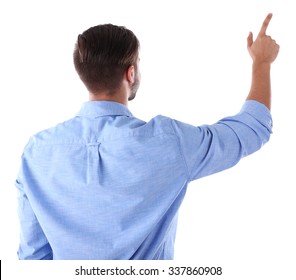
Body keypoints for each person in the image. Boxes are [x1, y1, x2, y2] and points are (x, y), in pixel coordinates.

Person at [15, 13, 279, 260]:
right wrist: (262, 62)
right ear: (131, 73)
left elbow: (33, 257)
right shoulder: (168, 142)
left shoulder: (37, 151)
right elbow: (252, 128)